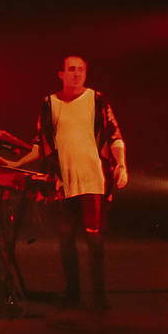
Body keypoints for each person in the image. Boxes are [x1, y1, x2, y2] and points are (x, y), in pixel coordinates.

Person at [23, 55, 129, 311]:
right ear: (61, 74)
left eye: (81, 69)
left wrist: (122, 165)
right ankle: (72, 294)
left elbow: (114, 135)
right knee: (66, 239)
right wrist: (15, 164)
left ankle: (99, 297)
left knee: (94, 240)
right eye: (72, 69)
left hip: (93, 180)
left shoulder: (97, 99)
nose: (77, 73)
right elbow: (41, 144)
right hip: (65, 181)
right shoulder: (50, 103)